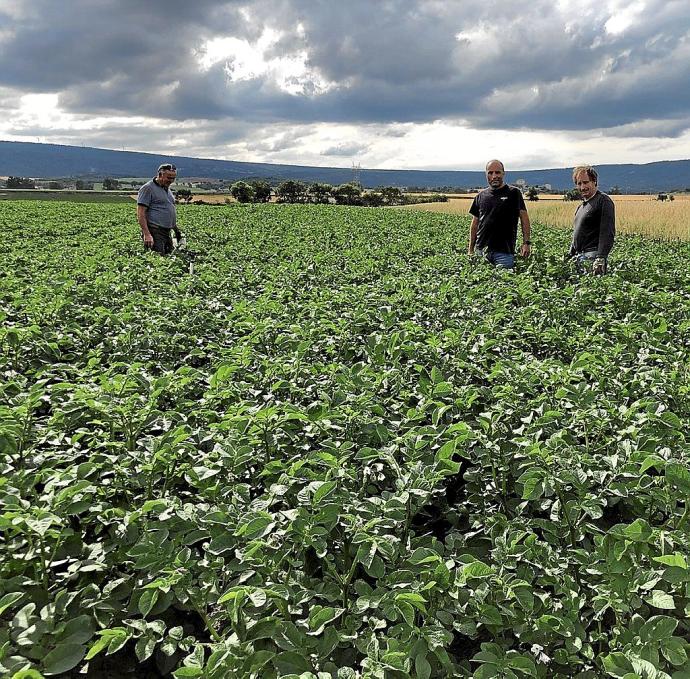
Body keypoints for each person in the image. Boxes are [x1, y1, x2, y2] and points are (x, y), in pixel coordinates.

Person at [468, 159, 531, 269]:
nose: (494, 176)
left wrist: (526, 243)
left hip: (504, 253)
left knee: (504, 284)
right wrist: (471, 250)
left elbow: (524, 219)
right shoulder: (480, 196)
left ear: (503, 173)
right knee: (479, 285)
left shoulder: (514, 193)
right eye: (490, 173)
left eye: (497, 172)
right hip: (481, 251)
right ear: (486, 175)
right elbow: (474, 225)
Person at [567, 165, 615, 275]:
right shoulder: (581, 206)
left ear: (594, 181)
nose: (582, 187)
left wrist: (600, 258)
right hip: (579, 257)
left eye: (585, 182)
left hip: (592, 256)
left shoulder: (603, 201)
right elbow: (577, 233)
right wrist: (570, 254)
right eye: (579, 184)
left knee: (590, 290)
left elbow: (607, 232)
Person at [137, 163, 180, 255]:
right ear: (160, 175)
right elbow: (141, 213)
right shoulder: (148, 188)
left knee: (169, 258)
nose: (171, 181)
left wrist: (176, 229)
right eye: (169, 177)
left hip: (166, 231)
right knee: (158, 260)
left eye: (173, 178)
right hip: (155, 231)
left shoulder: (167, 189)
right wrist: (147, 234)